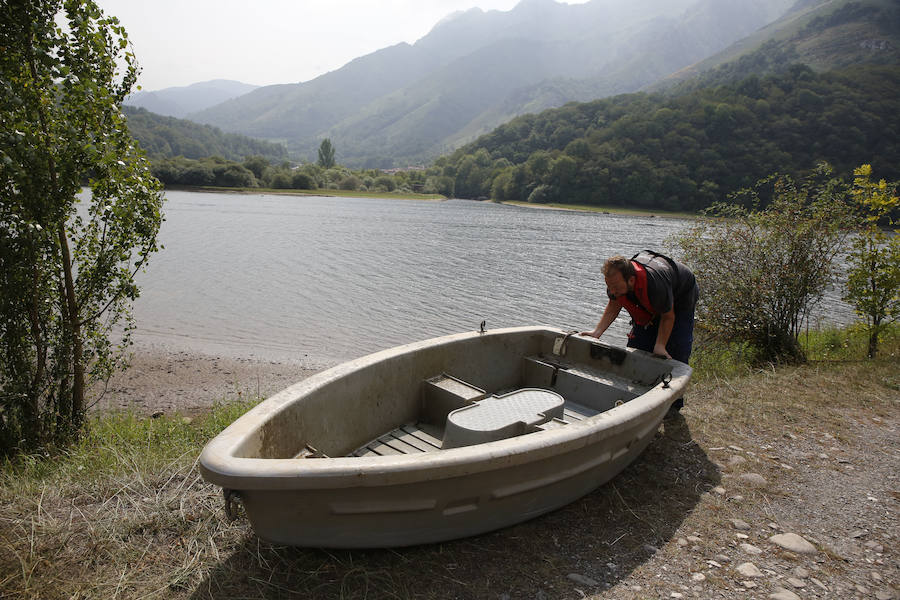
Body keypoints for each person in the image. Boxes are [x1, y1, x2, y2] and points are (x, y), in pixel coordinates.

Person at [580, 250, 699, 410]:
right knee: (639, 346)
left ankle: (672, 406)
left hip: (681, 295)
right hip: (653, 295)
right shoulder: (616, 284)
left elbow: (668, 316)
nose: (612, 291)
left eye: (615, 287)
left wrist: (660, 345)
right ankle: (638, 396)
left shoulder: (656, 286)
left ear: (631, 280)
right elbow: (614, 305)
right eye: (609, 287)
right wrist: (597, 332)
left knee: (675, 348)